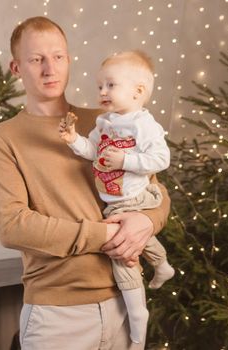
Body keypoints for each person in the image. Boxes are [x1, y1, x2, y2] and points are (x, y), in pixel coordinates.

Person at [0, 16, 170, 350]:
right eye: (36, 59)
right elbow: (14, 226)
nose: (49, 69)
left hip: (123, 303)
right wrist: (108, 234)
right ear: (16, 67)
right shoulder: (3, 139)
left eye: (57, 57)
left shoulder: (106, 120)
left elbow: (155, 192)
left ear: (68, 60)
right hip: (57, 315)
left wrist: (145, 221)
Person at [58, 50, 175, 344]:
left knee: (122, 255)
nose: (102, 92)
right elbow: (91, 152)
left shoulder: (143, 124)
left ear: (138, 92)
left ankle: (138, 318)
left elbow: (161, 159)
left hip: (135, 197)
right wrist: (74, 140)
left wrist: (125, 162)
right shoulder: (105, 123)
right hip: (114, 201)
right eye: (100, 86)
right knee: (134, 242)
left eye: (111, 85)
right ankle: (162, 266)